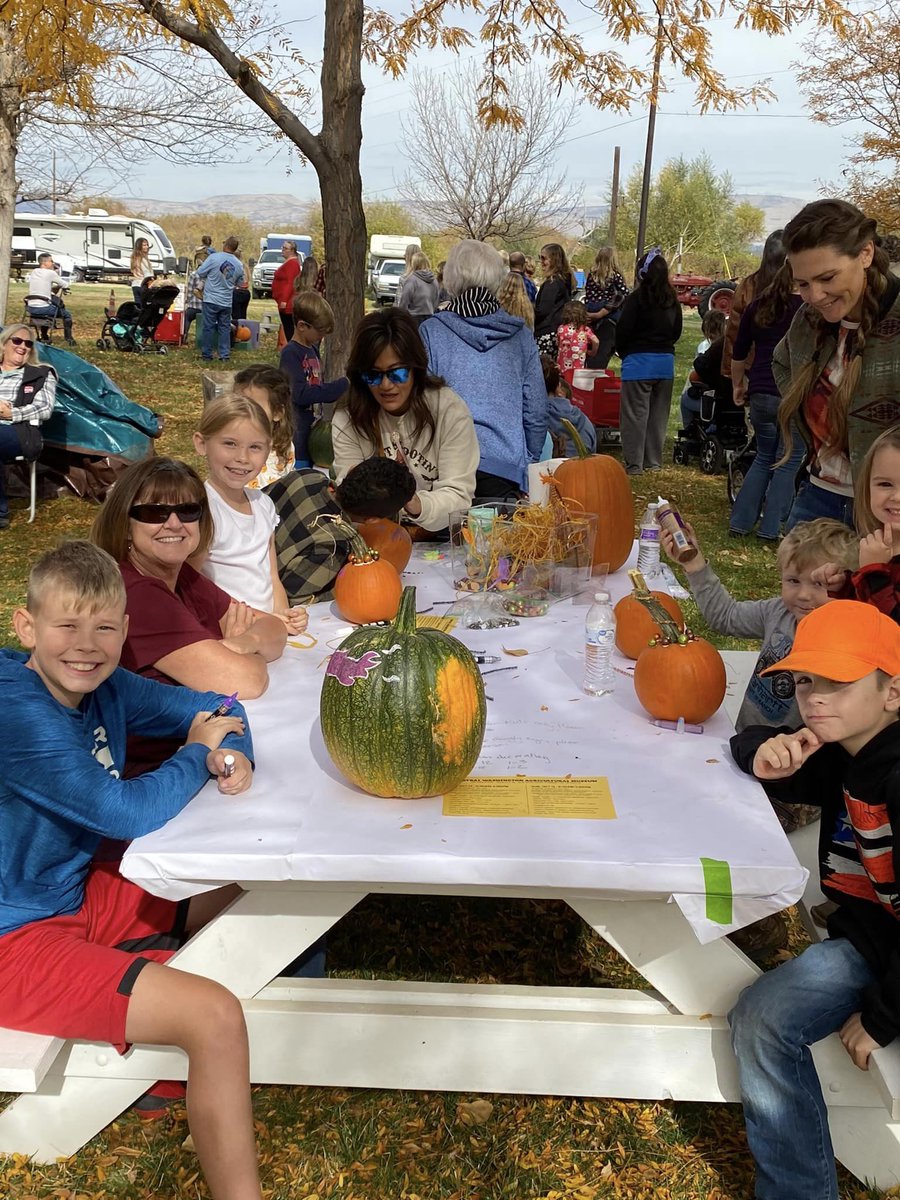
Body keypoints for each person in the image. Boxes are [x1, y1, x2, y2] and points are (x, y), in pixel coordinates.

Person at [0, 539, 268, 1200]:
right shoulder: (18, 712)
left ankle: (158, 1063)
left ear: (125, 630)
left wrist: (234, 754)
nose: (85, 644)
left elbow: (222, 705)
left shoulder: (107, 684)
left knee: (231, 882)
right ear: (26, 626)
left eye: (103, 628)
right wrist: (196, 755)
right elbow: (122, 812)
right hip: (12, 938)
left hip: (73, 892)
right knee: (215, 1017)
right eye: (66, 625)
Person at [729, 600, 900, 1200]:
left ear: (893, 692)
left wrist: (884, 1016)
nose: (814, 697)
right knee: (761, 1017)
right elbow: (748, 737)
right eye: (805, 681)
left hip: (891, 965)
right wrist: (761, 752)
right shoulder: (841, 751)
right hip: (869, 943)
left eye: (837, 681)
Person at [90, 457, 286, 727]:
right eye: (154, 512)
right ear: (125, 525)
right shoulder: (136, 594)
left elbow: (274, 628)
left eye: (188, 510)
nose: (174, 523)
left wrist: (242, 643)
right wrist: (247, 654)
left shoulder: (183, 577)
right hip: (163, 757)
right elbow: (247, 681)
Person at [775, 199, 900, 530]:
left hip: (887, 512)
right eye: (802, 284)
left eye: (827, 277)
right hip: (818, 496)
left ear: (866, 254)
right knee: (801, 584)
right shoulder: (807, 321)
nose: (815, 296)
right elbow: (781, 362)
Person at [419, 239, 547, 502]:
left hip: (445, 464)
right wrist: (528, 462)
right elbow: (535, 409)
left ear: (451, 278)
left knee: (444, 542)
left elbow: (421, 403)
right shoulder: (520, 336)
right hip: (504, 465)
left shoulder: (432, 332)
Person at [333, 307, 479, 532]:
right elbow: (350, 490)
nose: (385, 385)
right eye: (373, 375)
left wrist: (413, 502)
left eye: (397, 373)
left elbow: (458, 497)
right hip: (373, 538)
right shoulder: (347, 417)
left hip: (440, 537)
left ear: (415, 369)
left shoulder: (449, 410)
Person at [231, 364, 354, 602]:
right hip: (240, 535)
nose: (242, 413)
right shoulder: (233, 453)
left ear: (277, 413)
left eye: (253, 407)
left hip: (275, 536)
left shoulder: (282, 449)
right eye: (237, 405)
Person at [191, 395, 307, 636]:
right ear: (201, 443)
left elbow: (272, 576)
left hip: (265, 631)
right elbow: (193, 586)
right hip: (224, 631)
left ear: (268, 450)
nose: (242, 457)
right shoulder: (201, 510)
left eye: (254, 447)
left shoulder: (263, 504)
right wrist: (266, 623)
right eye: (230, 444)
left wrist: (283, 618)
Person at [729, 264, 806, 539]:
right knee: (789, 458)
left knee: (763, 456)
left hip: (761, 388)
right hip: (795, 392)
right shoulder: (808, 310)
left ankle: (740, 522)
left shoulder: (760, 306)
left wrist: (738, 385)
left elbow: (738, 352)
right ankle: (771, 527)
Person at [615, 247, 683, 475]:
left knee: (635, 416)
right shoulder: (672, 301)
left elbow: (623, 331)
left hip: (638, 365)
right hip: (665, 365)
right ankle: (653, 461)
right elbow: (677, 331)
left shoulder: (635, 299)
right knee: (658, 417)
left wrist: (625, 352)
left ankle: (634, 464)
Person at [826, 423, 900, 621]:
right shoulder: (871, 545)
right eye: (885, 484)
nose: (897, 496)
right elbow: (862, 614)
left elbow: (891, 626)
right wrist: (844, 586)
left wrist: (873, 573)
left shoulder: (874, 559)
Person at [281, 291, 348, 468]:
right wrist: (338, 388)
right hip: (297, 431)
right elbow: (300, 394)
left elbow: (315, 384)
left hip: (312, 428)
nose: (322, 337)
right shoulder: (290, 353)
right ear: (302, 326)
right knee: (300, 473)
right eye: (320, 332)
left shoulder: (312, 350)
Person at [0, 323, 57, 530]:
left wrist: (12, 413)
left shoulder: (41, 373)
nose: (23, 346)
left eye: (28, 344)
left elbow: (44, 408)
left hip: (20, 431)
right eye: (17, 341)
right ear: (4, 344)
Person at [721, 228, 786, 380]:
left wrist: (729, 372)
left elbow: (733, 333)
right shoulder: (798, 287)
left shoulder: (749, 285)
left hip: (753, 372)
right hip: (789, 373)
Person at [196, 236, 246, 364]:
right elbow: (241, 283)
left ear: (225, 245)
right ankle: (224, 354)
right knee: (224, 328)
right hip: (226, 300)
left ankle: (207, 354)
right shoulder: (239, 264)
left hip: (211, 299)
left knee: (208, 327)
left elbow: (201, 272)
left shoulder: (214, 258)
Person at [541, 355, 597, 458]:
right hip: (582, 471)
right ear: (559, 387)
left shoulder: (529, 420)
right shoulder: (584, 420)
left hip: (541, 472)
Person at [679, 310, 726, 428]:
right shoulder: (731, 347)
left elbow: (698, 374)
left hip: (713, 397)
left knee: (685, 399)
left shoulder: (706, 349)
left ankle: (689, 432)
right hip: (730, 398)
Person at [583, 246, 628, 368]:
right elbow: (622, 295)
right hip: (608, 316)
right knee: (601, 355)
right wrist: (603, 312)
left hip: (591, 312)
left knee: (590, 353)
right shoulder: (616, 276)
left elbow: (587, 294)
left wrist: (589, 313)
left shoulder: (592, 275)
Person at [533, 243, 575, 357]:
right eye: (540, 258)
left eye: (544, 258)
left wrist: (529, 309)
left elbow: (543, 310)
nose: (541, 262)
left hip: (547, 333)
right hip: (555, 331)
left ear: (554, 260)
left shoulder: (553, 283)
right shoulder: (564, 280)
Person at [25, 252, 76, 344]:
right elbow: (65, 284)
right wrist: (55, 273)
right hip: (44, 308)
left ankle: (44, 335)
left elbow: (44, 288)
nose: (53, 263)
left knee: (49, 311)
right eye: (51, 261)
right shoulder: (50, 273)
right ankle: (69, 339)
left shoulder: (34, 272)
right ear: (45, 263)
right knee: (66, 314)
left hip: (30, 307)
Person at [394, 251, 439, 325]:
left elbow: (404, 300)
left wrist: (400, 315)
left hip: (414, 317)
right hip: (430, 317)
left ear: (414, 264)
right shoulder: (434, 280)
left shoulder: (412, 279)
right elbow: (436, 300)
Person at [556, 300, 600, 374]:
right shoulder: (584, 329)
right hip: (578, 368)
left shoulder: (561, 328)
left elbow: (557, 343)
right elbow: (596, 341)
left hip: (562, 367)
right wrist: (592, 352)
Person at [271, 240, 302, 340]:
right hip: (283, 301)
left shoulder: (292, 264)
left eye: (285, 248)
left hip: (288, 303)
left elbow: (290, 283)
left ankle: (293, 351)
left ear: (292, 250)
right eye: (282, 247)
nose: (282, 250)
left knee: (290, 330)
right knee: (288, 329)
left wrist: (284, 300)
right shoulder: (289, 262)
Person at [182, 265, 205, 345]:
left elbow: (190, 291)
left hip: (194, 305)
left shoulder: (194, 274)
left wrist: (187, 302)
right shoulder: (210, 274)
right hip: (206, 307)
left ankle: (184, 335)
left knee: (187, 317)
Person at [130, 238, 153, 304]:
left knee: (138, 307)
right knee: (146, 308)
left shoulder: (134, 258)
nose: (147, 247)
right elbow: (147, 274)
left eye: (147, 245)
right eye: (144, 245)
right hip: (143, 285)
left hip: (135, 285)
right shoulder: (143, 259)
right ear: (139, 247)